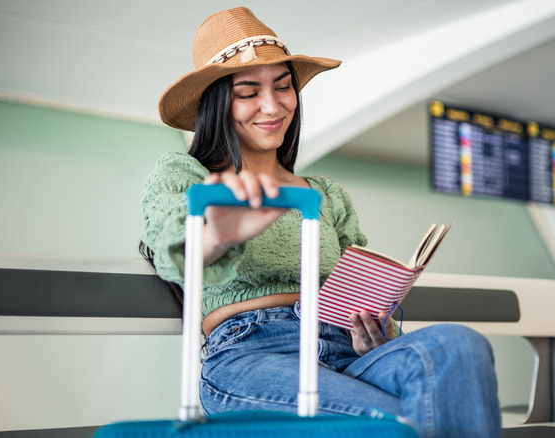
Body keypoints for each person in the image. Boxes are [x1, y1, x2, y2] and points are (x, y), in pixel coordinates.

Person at [140, 7, 502, 438]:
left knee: (459, 344)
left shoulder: (326, 193)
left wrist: (378, 330)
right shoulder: (189, 174)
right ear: (218, 102)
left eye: (283, 86)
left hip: (349, 349)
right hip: (253, 355)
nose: (272, 105)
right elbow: (169, 244)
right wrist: (217, 232)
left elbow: (357, 281)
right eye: (248, 91)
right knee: (408, 420)